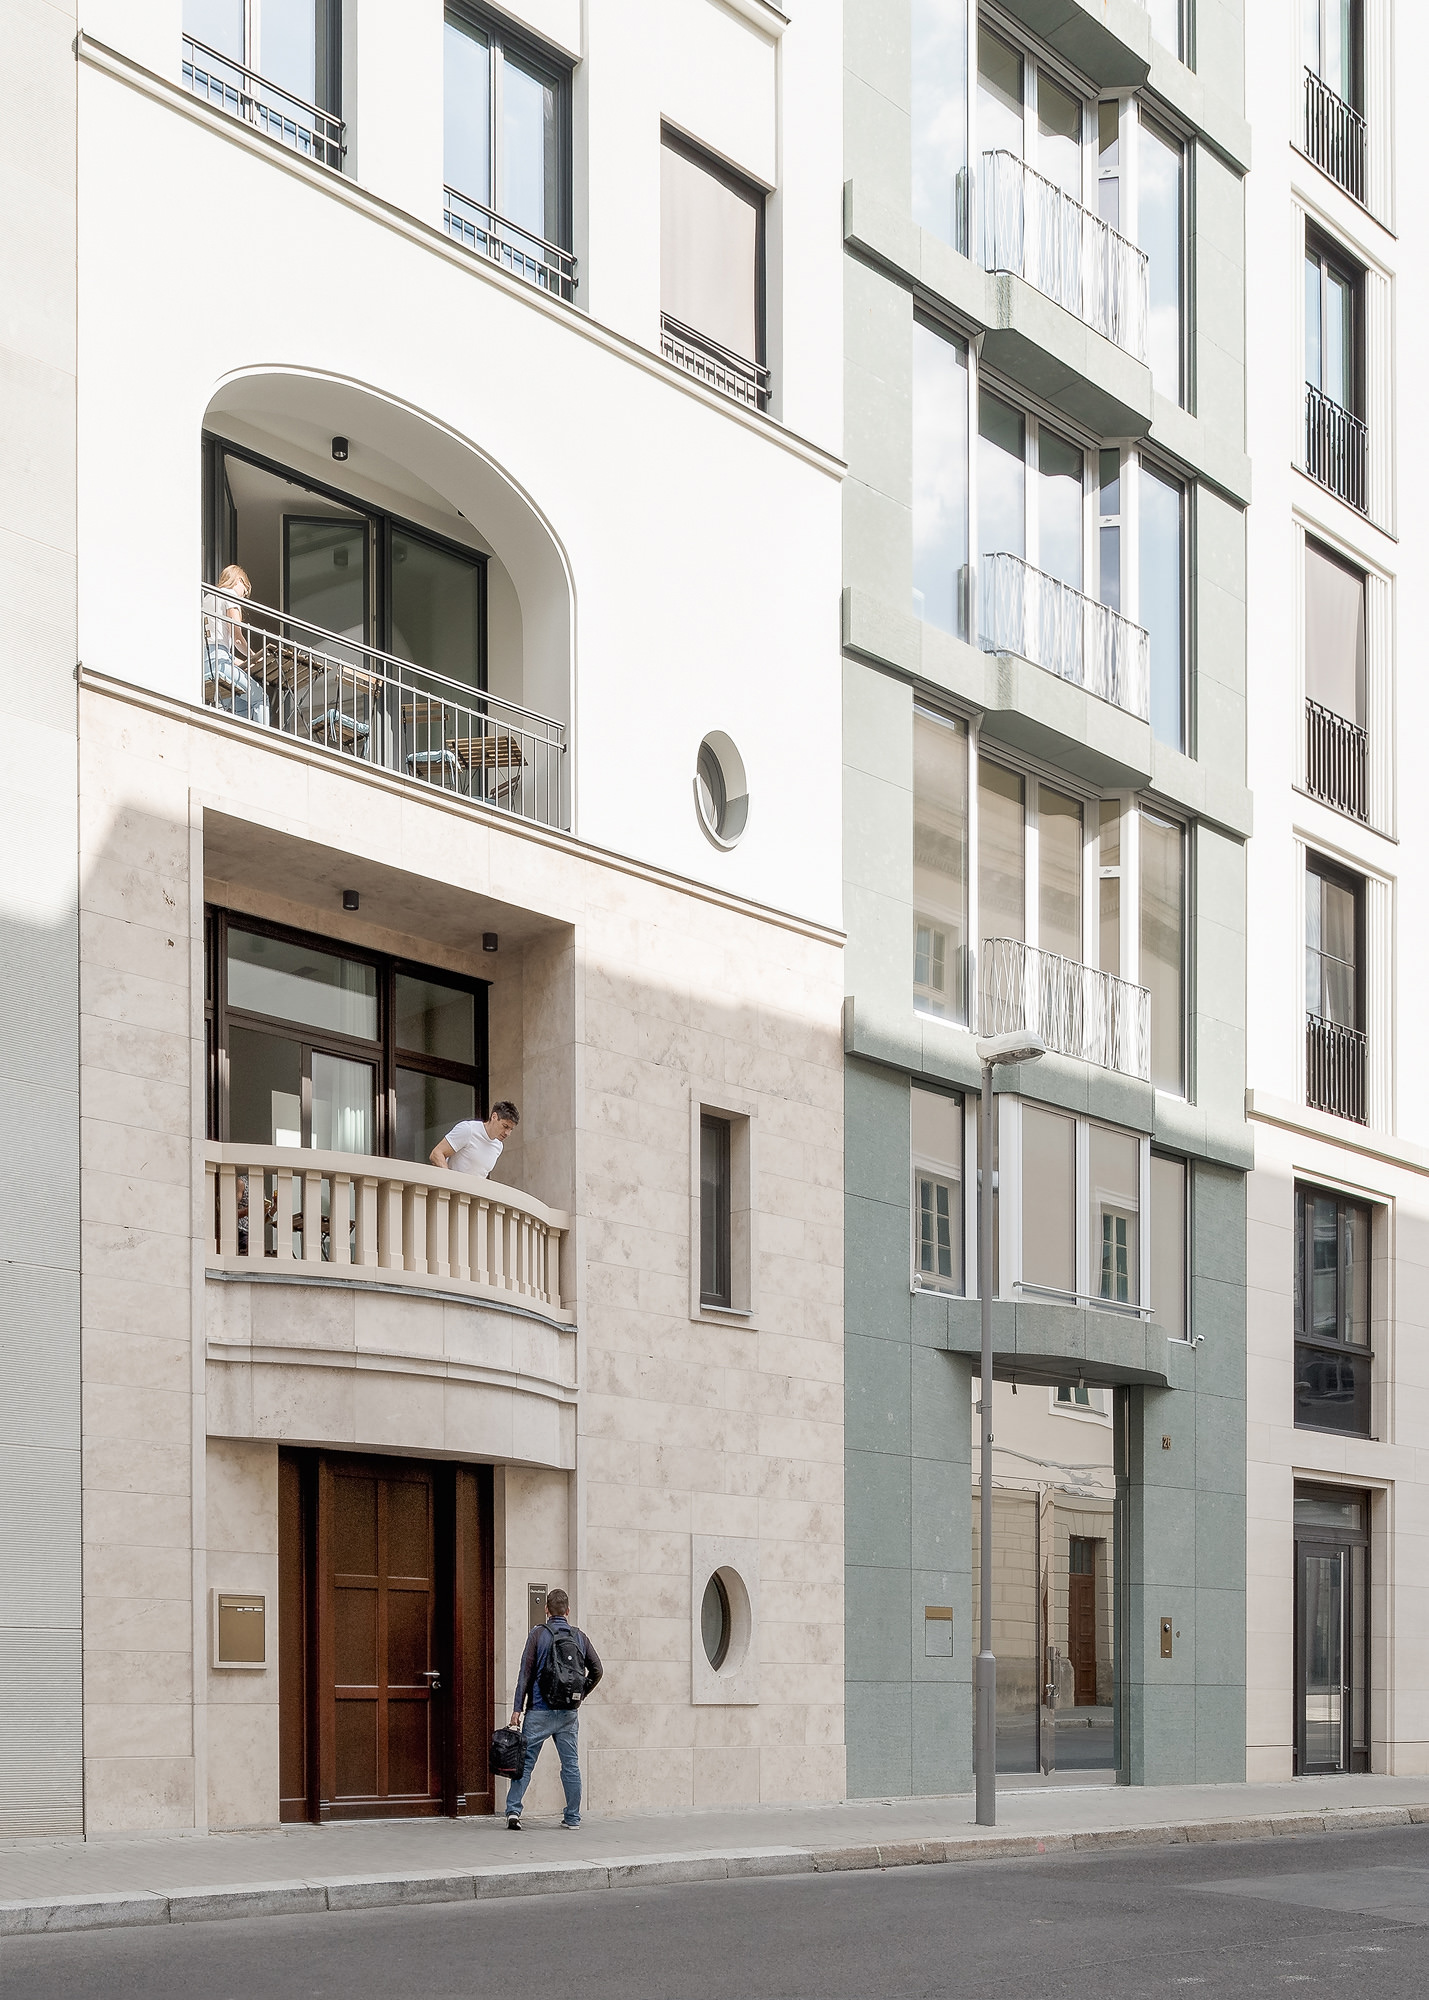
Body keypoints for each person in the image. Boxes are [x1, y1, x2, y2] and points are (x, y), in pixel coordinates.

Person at [503, 1587, 602, 1831]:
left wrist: (517, 1708)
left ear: (547, 1610)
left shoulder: (538, 1634)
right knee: (570, 1764)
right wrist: (580, 1695)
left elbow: (525, 1674)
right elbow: (597, 1670)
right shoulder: (580, 1637)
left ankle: (514, 1811)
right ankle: (573, 1818)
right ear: (568, 1611)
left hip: (539, 1710)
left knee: (526, 1762)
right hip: (568, 1713)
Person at [203, 563, 269, 724]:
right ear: (239, 580)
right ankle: (261, 738)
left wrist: (242, 662)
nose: (243, 597)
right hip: (220, 665)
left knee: (243, 707)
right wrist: (254, 657)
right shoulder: (230, 595)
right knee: (261, 698)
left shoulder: (207, 598)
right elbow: (237, 636)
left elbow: (215, 648)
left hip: (205, 666)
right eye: (245, 591)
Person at [429, 1100, 519, 1178]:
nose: (507, 1133)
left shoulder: (498, 1146)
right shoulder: (468, 1129)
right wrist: (450, 1181)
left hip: (473, 1192)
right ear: (494, 1117)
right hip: (453, 1190)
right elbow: (436, 1154)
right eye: (505, 1126)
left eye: (511, 1129)